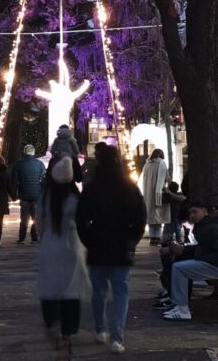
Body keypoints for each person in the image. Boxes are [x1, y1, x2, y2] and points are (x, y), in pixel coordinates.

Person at [77, 145, 146, 355]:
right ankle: (117, 336)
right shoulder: (129, 187)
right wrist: (132, 240)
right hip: (121, 245)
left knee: (98, 291)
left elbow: (81, 219)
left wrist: (88, 240)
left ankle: (100, 328)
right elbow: (140, 217)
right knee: (121, 292)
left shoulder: (92, 188)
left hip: (98, 244)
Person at [36, 156, 89, 343]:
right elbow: (83, 224)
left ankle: (52, 322)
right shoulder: (75, 199)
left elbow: (40, 223)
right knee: (71, 288)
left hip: (50, 244)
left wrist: (45, 238)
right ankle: (69, 328)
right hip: (72, 246)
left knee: (49, 286)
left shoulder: (45, 198)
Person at [164, 207, 218, 321]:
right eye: (190, 212)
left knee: (179, 268)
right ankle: (179, 305)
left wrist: (199, 257)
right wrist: (183, 250)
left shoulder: (217, 227)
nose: (192, 215)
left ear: (205, 211)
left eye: (195, 212)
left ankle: (183, 310)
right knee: (179, 265)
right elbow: (205, 248)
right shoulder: (210, 224)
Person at [11, 144, 46, 244]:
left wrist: (14, 194)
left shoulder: (18, 164)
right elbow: (44, 179)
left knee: (24, 217)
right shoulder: (40, 164)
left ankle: (22, 237)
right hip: (36, 195)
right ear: (33, 153)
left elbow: (14, 181)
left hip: (24, 194)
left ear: (24, 152)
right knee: (35, 217)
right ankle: (34, 237)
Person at [141, 149, 169, 245]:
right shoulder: (161, 163)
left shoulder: (146, 164)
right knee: (158, 215)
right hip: (158, 192)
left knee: (150, 215)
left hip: (148, 193)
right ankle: (157, 237)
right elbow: (166, 177)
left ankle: (152, 237)